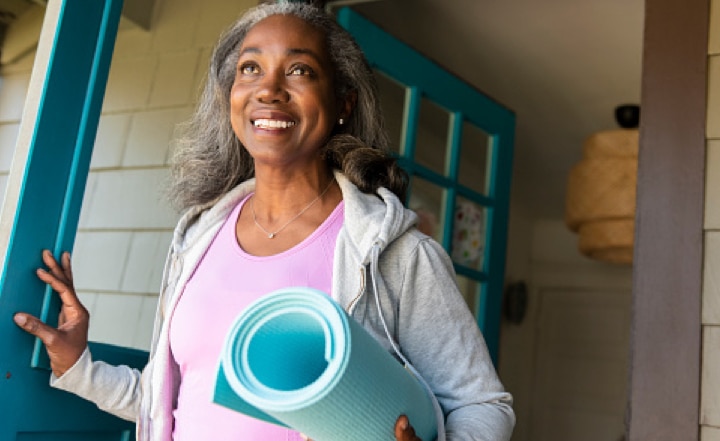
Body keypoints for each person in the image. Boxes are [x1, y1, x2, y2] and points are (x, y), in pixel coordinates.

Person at [12, 2, 515, 440]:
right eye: (250, 69)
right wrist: (79, 367)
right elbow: (174, 402)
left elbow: (483, 406)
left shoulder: (393, 253)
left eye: (299, 70)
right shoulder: (198, 236)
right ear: (230, 96)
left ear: (343, 102)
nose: (268, 89)